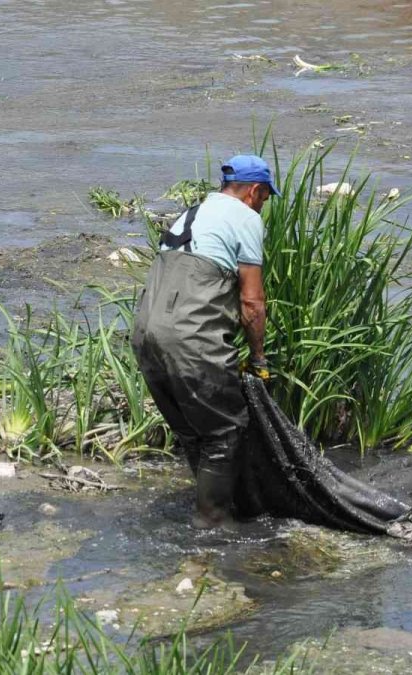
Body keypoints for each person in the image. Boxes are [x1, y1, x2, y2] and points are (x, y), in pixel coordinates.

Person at [131, 154, 278, 529]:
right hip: (192, 338)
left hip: (145, 336)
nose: (263, 204)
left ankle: (212, 507)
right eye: (264, 197)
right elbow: (251, 302)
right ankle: (212, 525)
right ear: (255, 191)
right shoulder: (246, 218)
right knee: (223, 432)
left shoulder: (190, 214)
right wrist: (259, 357)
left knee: (192, 432)